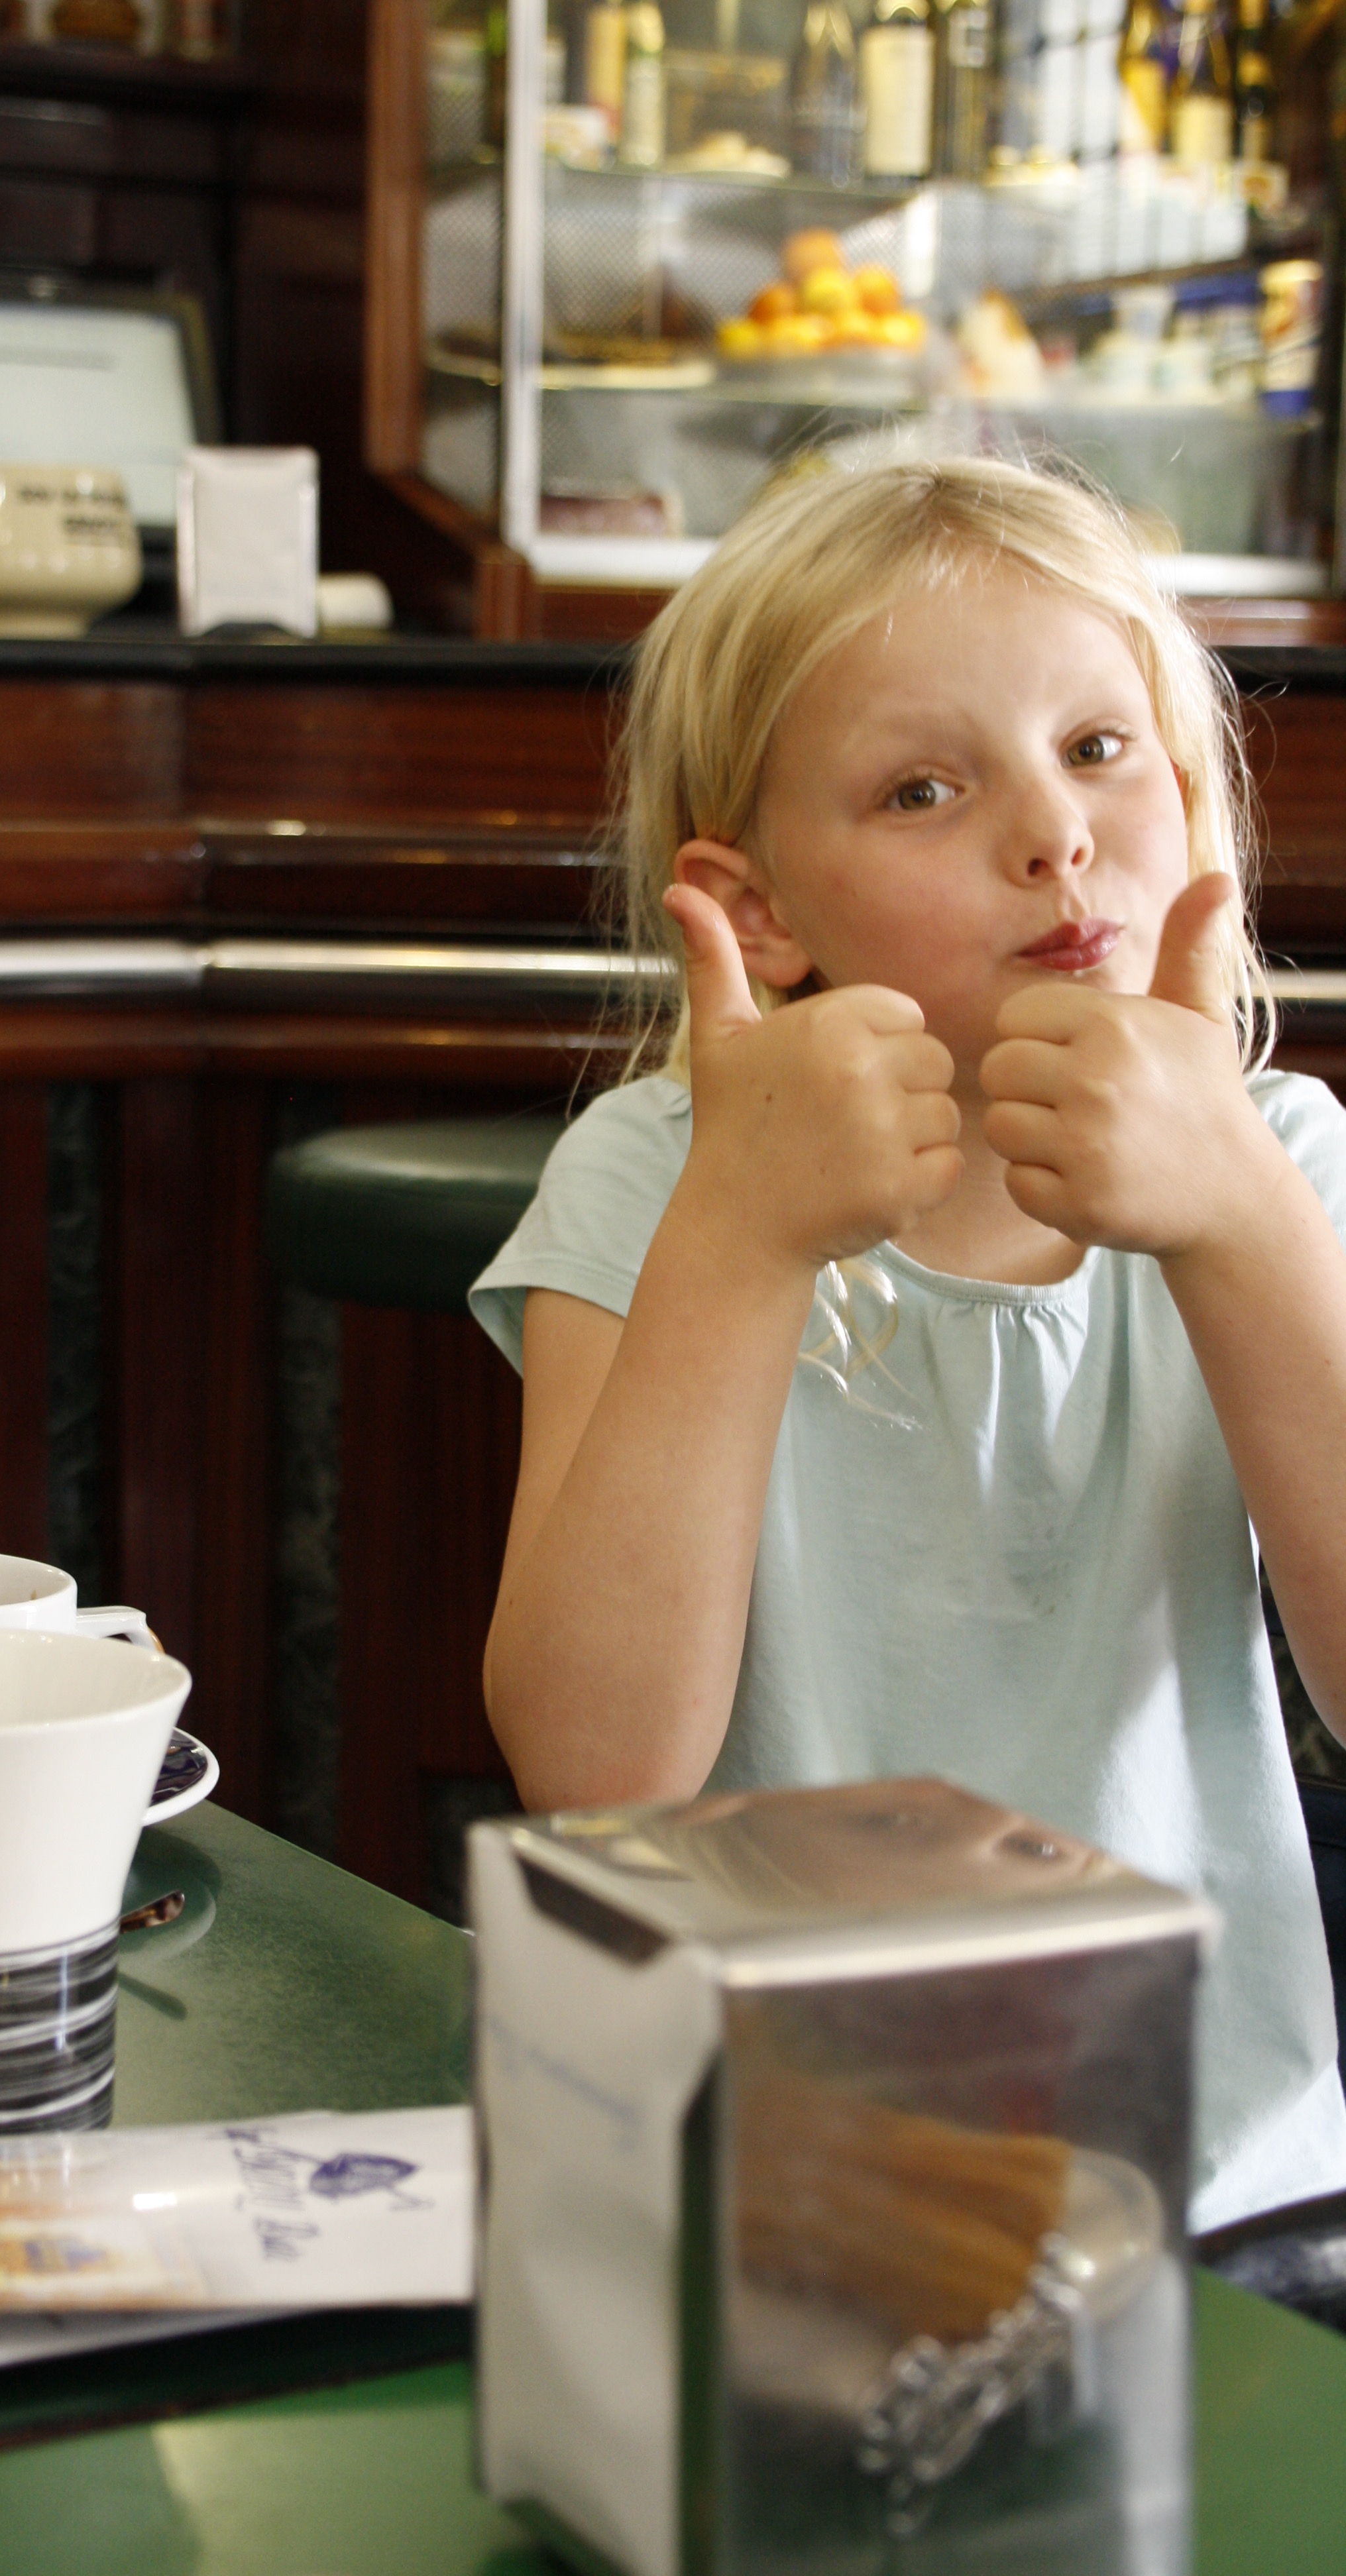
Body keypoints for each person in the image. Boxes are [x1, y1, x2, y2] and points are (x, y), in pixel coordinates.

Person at [469, 455, 1346, 2231]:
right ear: (761, 913)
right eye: (925, 788)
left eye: (1098, 747)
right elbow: (592, 1769)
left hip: (1217, 2186)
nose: (1054, 833)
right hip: (773, 2177)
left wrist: (1243, 1228)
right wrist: (739, 1232)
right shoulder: (653, 1179)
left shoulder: (1287, 1163)